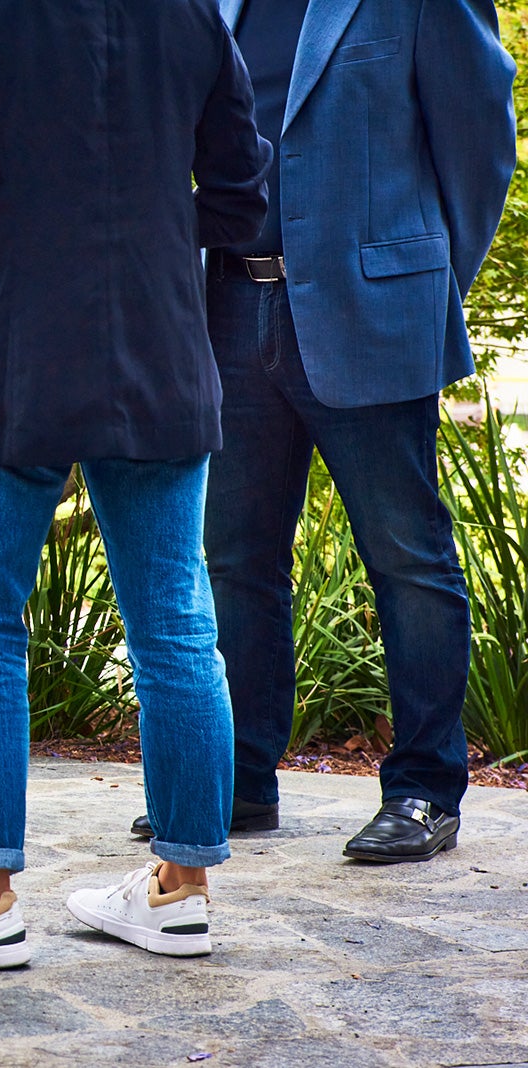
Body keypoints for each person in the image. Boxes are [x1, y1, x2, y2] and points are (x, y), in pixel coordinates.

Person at [0, 0, 270, 969]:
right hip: (160, 349)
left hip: (19, 355)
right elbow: (244, 199)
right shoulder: (192, 15)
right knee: (175, 620)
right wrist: (149, 227)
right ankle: (181, 888)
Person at [130, 0, 517, 863]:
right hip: (224, 307)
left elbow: (480, 139)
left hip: (371, 309)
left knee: (408, 557)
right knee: (234, 558)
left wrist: (427, 286)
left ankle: (424, 790)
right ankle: (240, 782)